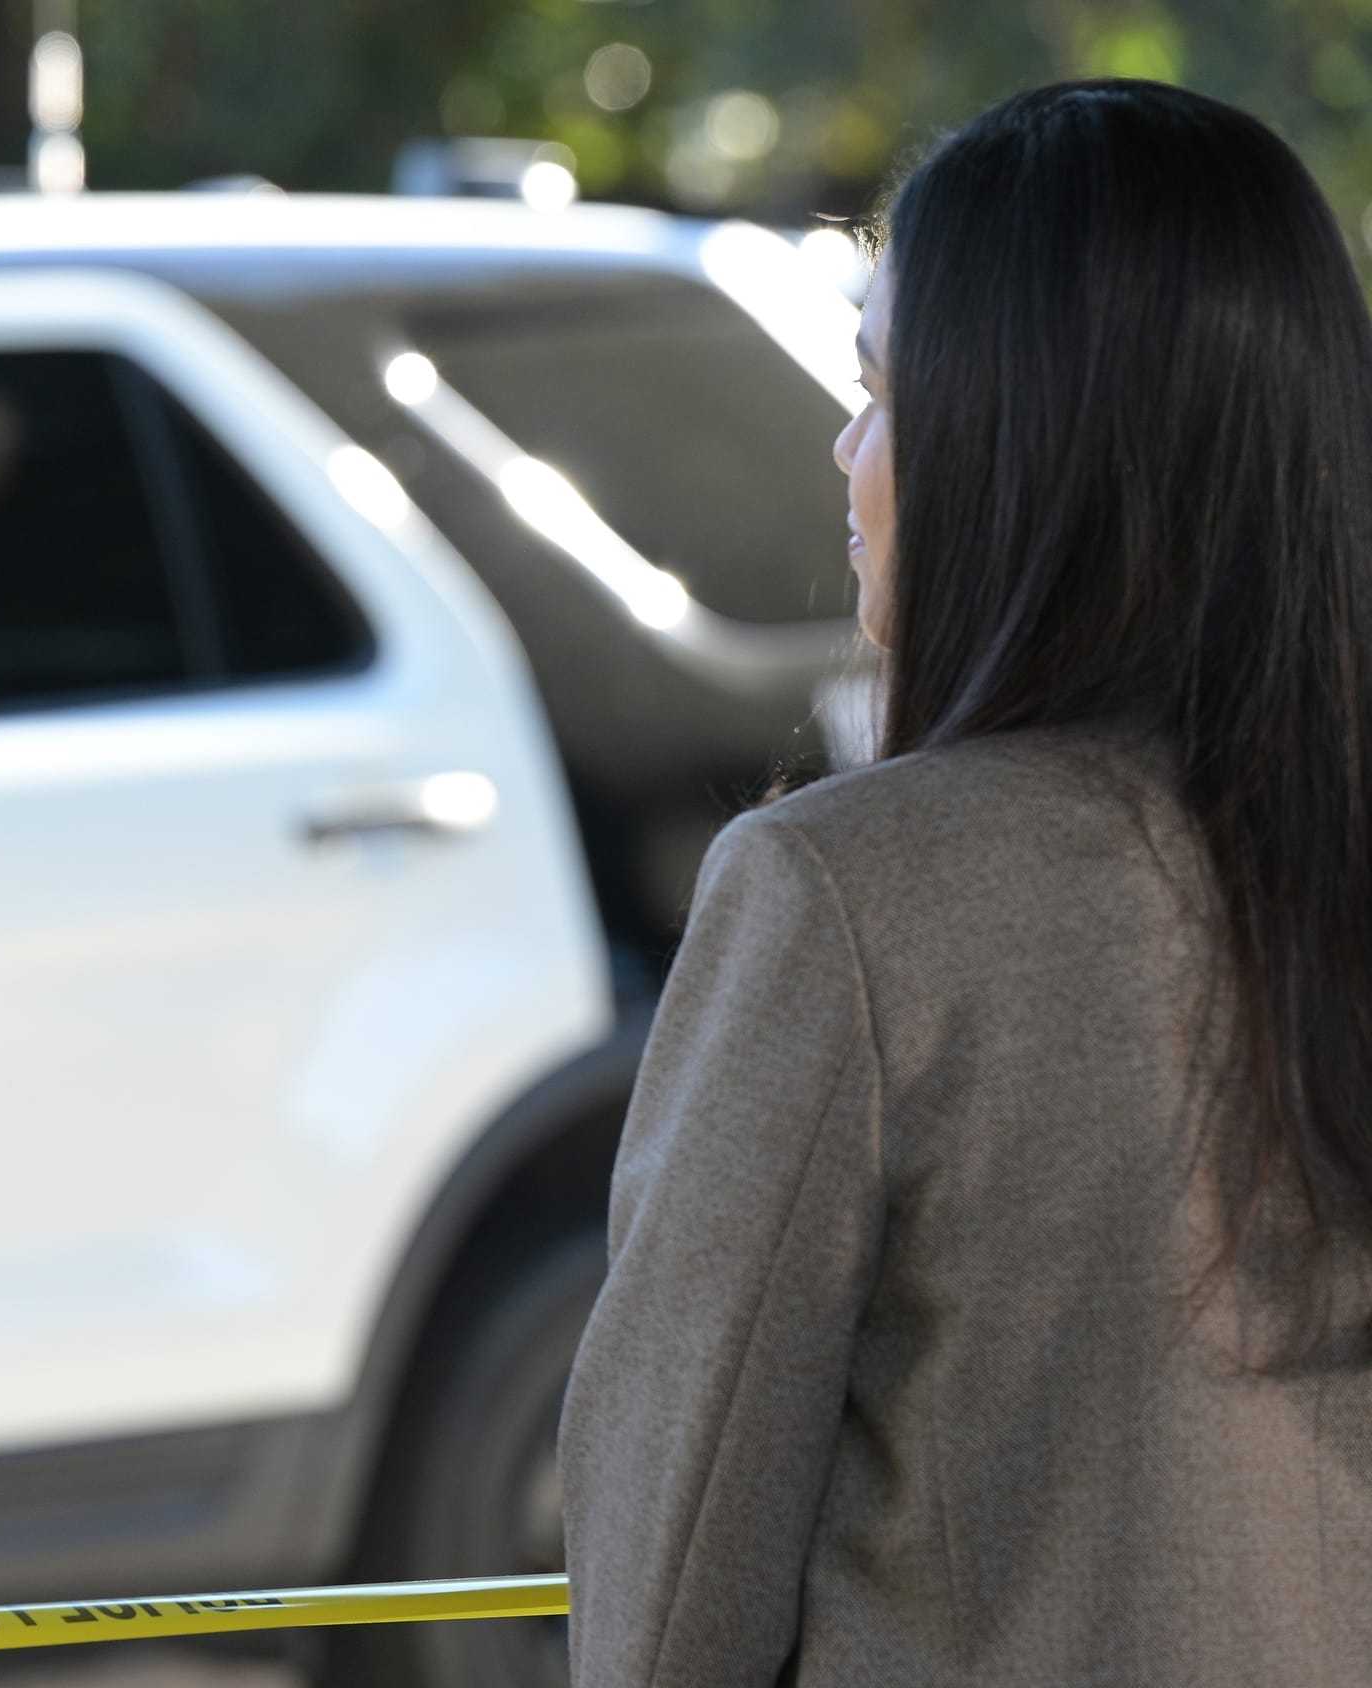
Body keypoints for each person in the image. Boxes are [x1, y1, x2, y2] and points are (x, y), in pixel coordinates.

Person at [561, 80, 1372, 1685]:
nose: (845, 448)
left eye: (880, 390)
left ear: (1024, 446)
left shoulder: (854, 897)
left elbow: (673, 1579)